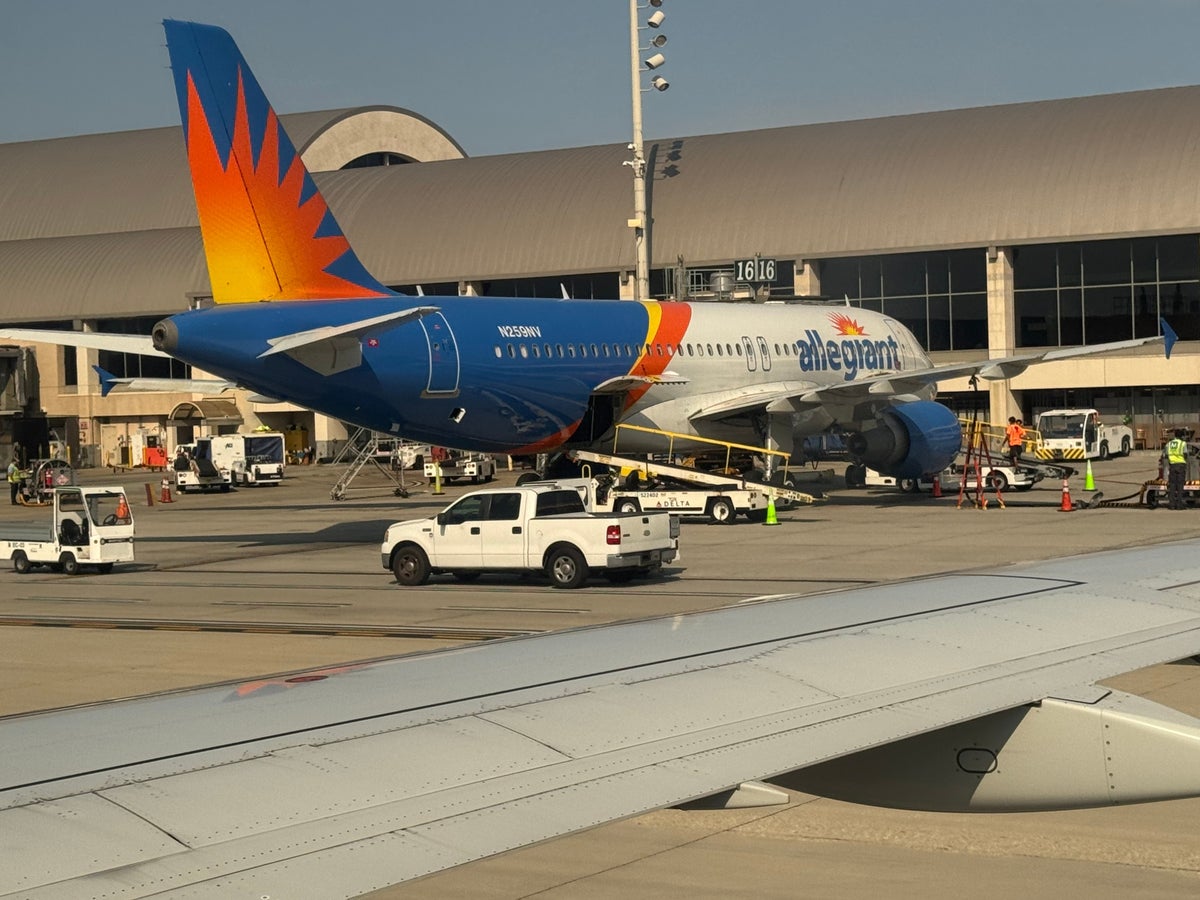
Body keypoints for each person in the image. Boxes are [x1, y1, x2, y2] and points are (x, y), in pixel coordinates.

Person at [1164, 428, 1190, 510]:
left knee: (1172, 485)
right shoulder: (1183, 444)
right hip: (1181, 466)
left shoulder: (1169, 444)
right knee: (1180, 486)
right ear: (1182, 436)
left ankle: (1171, 505)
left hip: (1172, 466)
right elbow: (1185, 454)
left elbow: (1166, 455)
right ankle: (1179, 505)